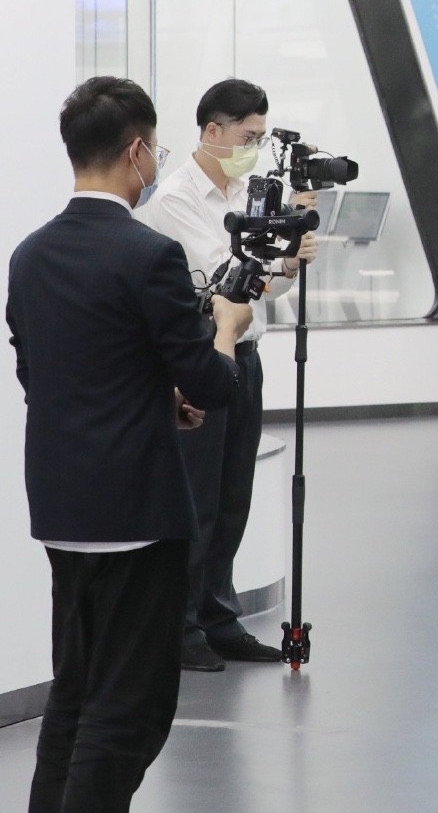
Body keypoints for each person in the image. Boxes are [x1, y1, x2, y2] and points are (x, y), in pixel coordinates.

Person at [8, 76, 251, 812]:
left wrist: (154, 402)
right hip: (136, 513)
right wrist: (228, 330)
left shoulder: (29, 254)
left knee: (75, 692)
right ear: (138, 151)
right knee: (130, 709)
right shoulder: (149, 254)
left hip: (61, 505)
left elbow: (44, 373)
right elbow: (211, 382)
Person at [138, 78, 318, 671]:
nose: (253, 149)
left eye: (261, 139)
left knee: (234, 492)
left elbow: (265, 289)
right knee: (198, 497)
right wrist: (278, 250)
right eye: (248, 137)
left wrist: (289, 260)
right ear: (211, 131)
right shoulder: (176, 200)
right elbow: (225, 277)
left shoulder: (248, 195)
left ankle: (219, 616)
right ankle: (182, 624)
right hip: (200, 353)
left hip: (247, 355)